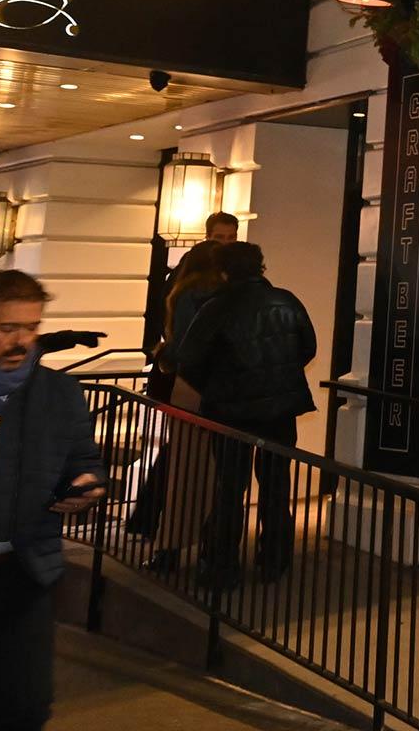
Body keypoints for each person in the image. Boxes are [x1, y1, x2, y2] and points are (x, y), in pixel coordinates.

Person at [0, 270, 105, 730]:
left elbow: (85, 460)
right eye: (6, 328)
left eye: (31, 326)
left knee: (26, 704)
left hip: (27, 567)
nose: (22, 340)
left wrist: (88, 485)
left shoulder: (60, 393)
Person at [176, 241, 316, 587]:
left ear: (225, 271)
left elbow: (189, 359)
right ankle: (274, 559)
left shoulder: (216, 308)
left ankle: (223, 565)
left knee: (230, 487)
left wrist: (216, 386)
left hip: (231, 410)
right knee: (276, 484)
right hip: (280, 408)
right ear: (260, 267)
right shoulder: (287, 301)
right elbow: (307, 347)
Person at [130, 241, 229, 561]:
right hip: (210, 387)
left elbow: (178, 343)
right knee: (208, 471)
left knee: (184, 469)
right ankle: (202, 542)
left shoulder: (181, 293)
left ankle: (171, 544)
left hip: (185, 386)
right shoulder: (216, 296)